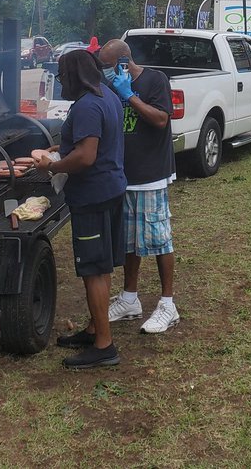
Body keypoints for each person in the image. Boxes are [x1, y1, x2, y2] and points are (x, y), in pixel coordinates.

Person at [32, 49, 127, 369]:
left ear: (74, 76)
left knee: (93, 270)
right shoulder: (108, 96)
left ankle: (104, 346)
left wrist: (51, 166)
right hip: (112, 189)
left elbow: (86, 157)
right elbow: (94, 143)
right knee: (102, 267)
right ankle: (94, 329)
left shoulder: (87, 106)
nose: (61, 83)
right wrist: (62, 148)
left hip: (92, 197)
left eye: (62, 77)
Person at [97, 39, 179, 335]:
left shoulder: (155, 80)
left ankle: (168, 305)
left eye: (106, 67)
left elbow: (160, 119)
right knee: (130, 240)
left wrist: (129, 95)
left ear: (122, 63)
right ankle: (130, 298)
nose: (103, 72)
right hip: (123, 176)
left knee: (159, 239)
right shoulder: (109, 86)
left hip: (150, 174)